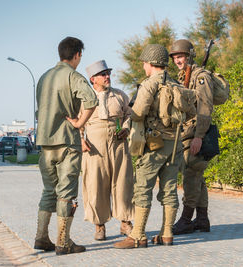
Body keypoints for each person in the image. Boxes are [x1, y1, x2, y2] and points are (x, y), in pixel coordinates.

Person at [114, 44, 182, 249]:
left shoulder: (149, 84)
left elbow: (138, 112)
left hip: (154, 144)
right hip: (175, 143)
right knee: (170, 188)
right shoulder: (175, 82)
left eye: (144, 63)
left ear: (151, 63)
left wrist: (130, 111)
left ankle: (137, 236)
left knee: (142, 188)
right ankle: (167, 233)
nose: (143, 67)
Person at [34, 36, 98, 255]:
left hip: (45, 143)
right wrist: (80, 123)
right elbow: (92, 100)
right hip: (67, 143)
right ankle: (63, 242)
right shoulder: (73, 76)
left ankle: (41, 238)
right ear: (77, 54)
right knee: (66, 193)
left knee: (49, 191)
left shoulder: (44, 77)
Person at [80, 60, 134, 241]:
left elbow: (129, 114)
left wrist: (126, 127)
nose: (107, 77)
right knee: (96, 186)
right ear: (92, 79)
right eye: (103, 74)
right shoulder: (84, 98)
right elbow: (76, 122)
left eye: (108, 73)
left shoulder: (119, 95)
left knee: (123, 183)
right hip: (94, 148)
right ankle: (99, 225)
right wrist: (81, 140)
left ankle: (125, 222)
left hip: (118, 144)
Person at [169, 39, 214, 235]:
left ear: (189, 56)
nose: (178, 60)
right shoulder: (183, 77)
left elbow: (205, 108)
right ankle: (202, 220)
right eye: (175, 57)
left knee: (191, 177)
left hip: (196, 132)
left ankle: (186, 220)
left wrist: (199, 136)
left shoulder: (201, 77)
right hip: (187, 132)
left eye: (181, 56)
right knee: (198, 178)